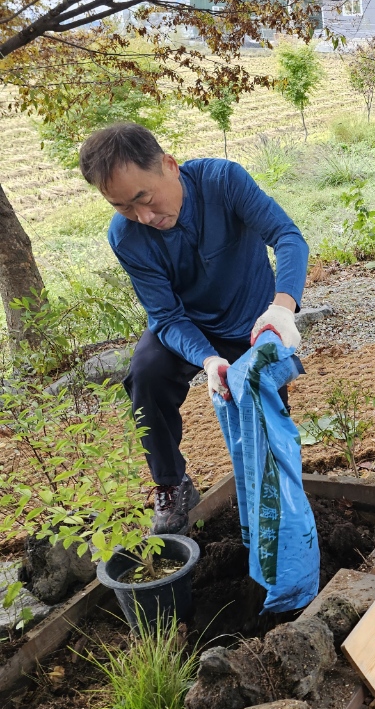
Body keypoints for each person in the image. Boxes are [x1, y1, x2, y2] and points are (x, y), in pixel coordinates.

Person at [78, 122, 309, 533]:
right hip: (188, 327)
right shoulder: (128, 237)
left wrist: (281, 309)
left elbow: (288, 236)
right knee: (146, 373)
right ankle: (171, 484)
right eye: (123, 207)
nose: (143, 217)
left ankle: (282, 497)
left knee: (265, 418)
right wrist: (206, 359)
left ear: (170, 165)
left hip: (253, 322)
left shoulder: (224, 181)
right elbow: (165, 316)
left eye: (143, 198)